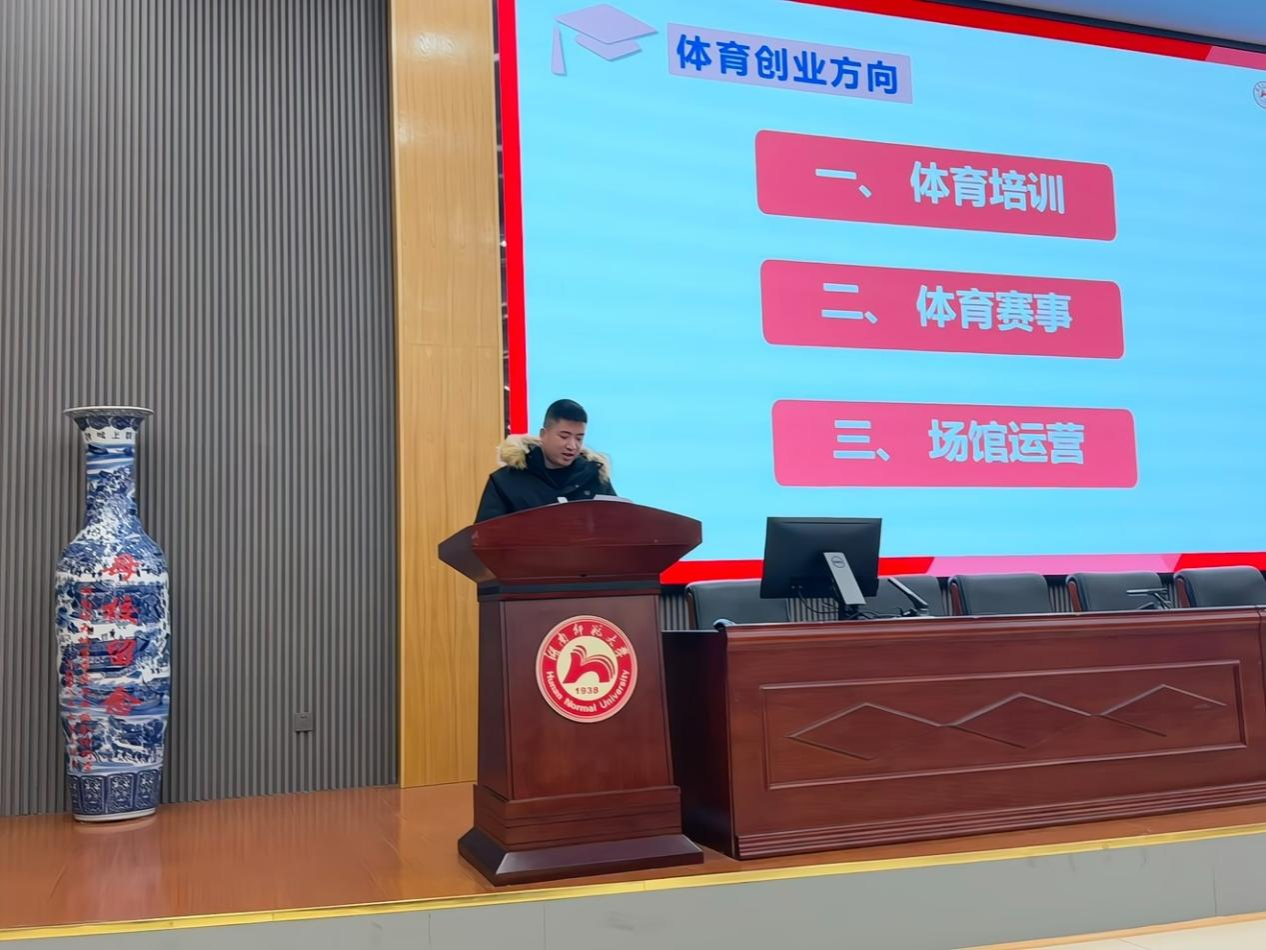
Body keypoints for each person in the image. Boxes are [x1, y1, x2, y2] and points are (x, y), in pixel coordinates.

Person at [474, 399, 616, 522]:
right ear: (543, 434)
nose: (572, 446)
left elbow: (618, 529)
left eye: (579, 438)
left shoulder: (595, 478)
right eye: (564, 436)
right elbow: (485, 538)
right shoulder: (505, 482)